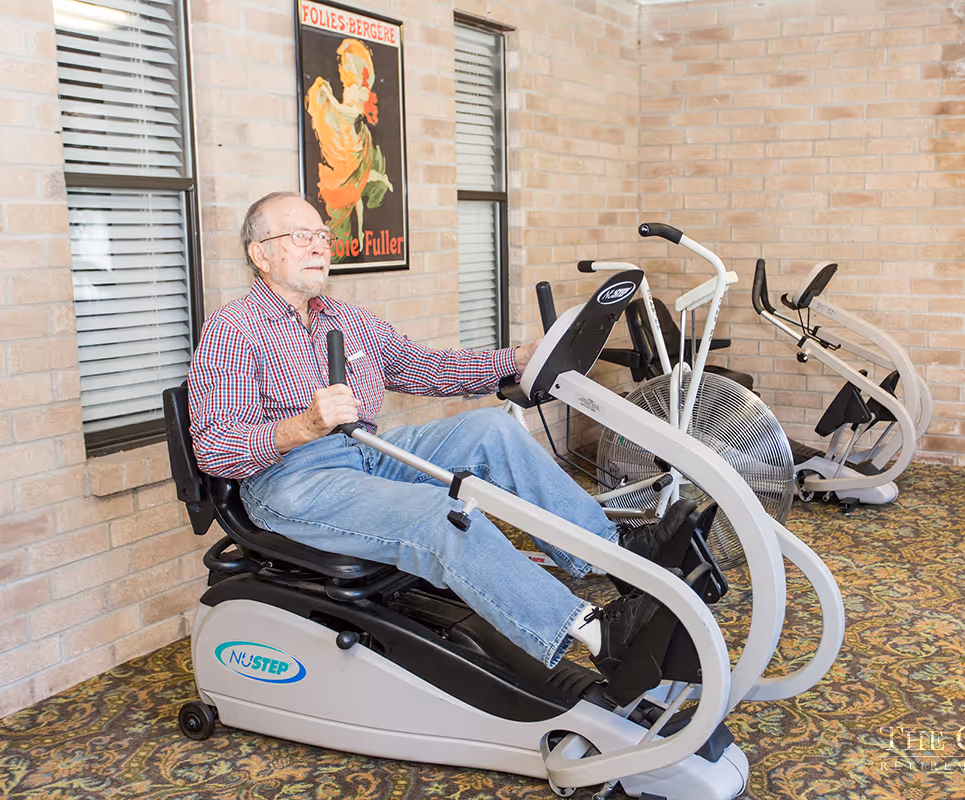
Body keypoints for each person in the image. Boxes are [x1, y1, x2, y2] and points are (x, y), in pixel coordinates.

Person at [187, 191, 675, 674]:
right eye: (300, 236)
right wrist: (302, 427)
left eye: (321, 235)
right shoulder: (232, 330)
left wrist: (520, 359)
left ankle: (617, 553)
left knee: (490, 429)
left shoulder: (346, 319)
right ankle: (597, 633)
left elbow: (431, 369)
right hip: (292, 481)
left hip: (367, 452)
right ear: (261, 254)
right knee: (442, 516)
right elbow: (212, 448)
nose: (318, 246)